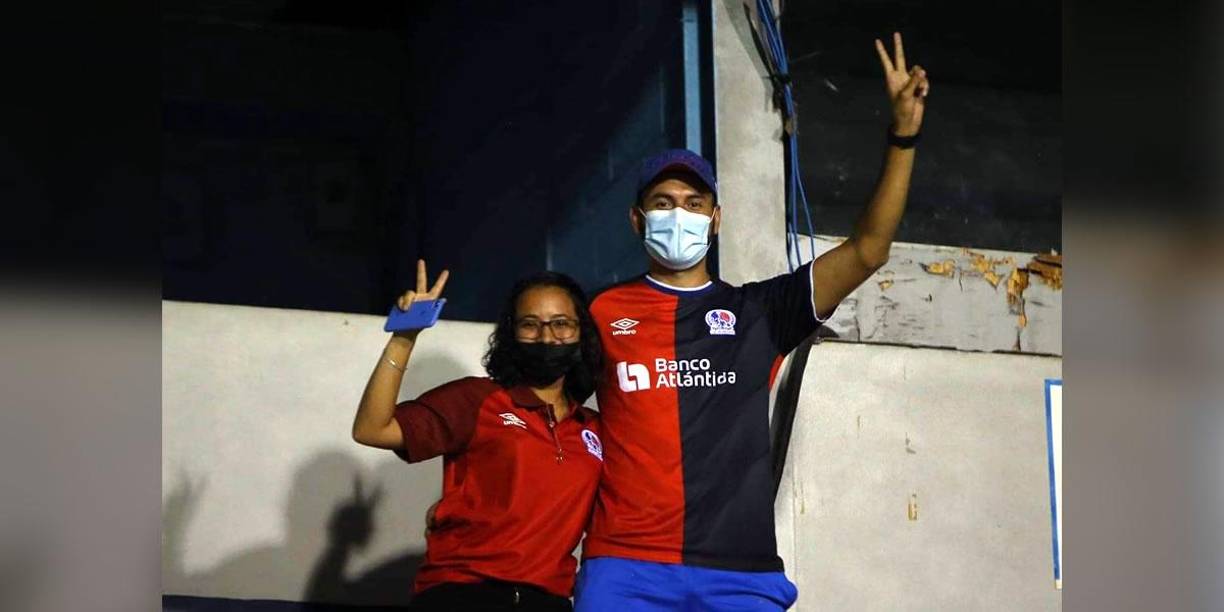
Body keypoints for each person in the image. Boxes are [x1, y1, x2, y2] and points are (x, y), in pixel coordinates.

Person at [573, 33, 930, 610]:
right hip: (626, 566)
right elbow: (547, 415)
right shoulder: (600, 312)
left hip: (741, 573)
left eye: (694, 205)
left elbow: (868, 250)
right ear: (638, 220)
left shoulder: (761, 310)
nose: (678, 216)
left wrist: (903, 135)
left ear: (716, 221)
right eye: (663, 203)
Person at [352, 261, 606, 612]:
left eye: (561, 324)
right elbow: (372, 429)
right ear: (510, 333)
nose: (547, 337)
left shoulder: (595, 428)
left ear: (583, 333)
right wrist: (403, 338)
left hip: (549, 602)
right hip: (463, 594)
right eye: (530, 325)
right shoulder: (477, 399)